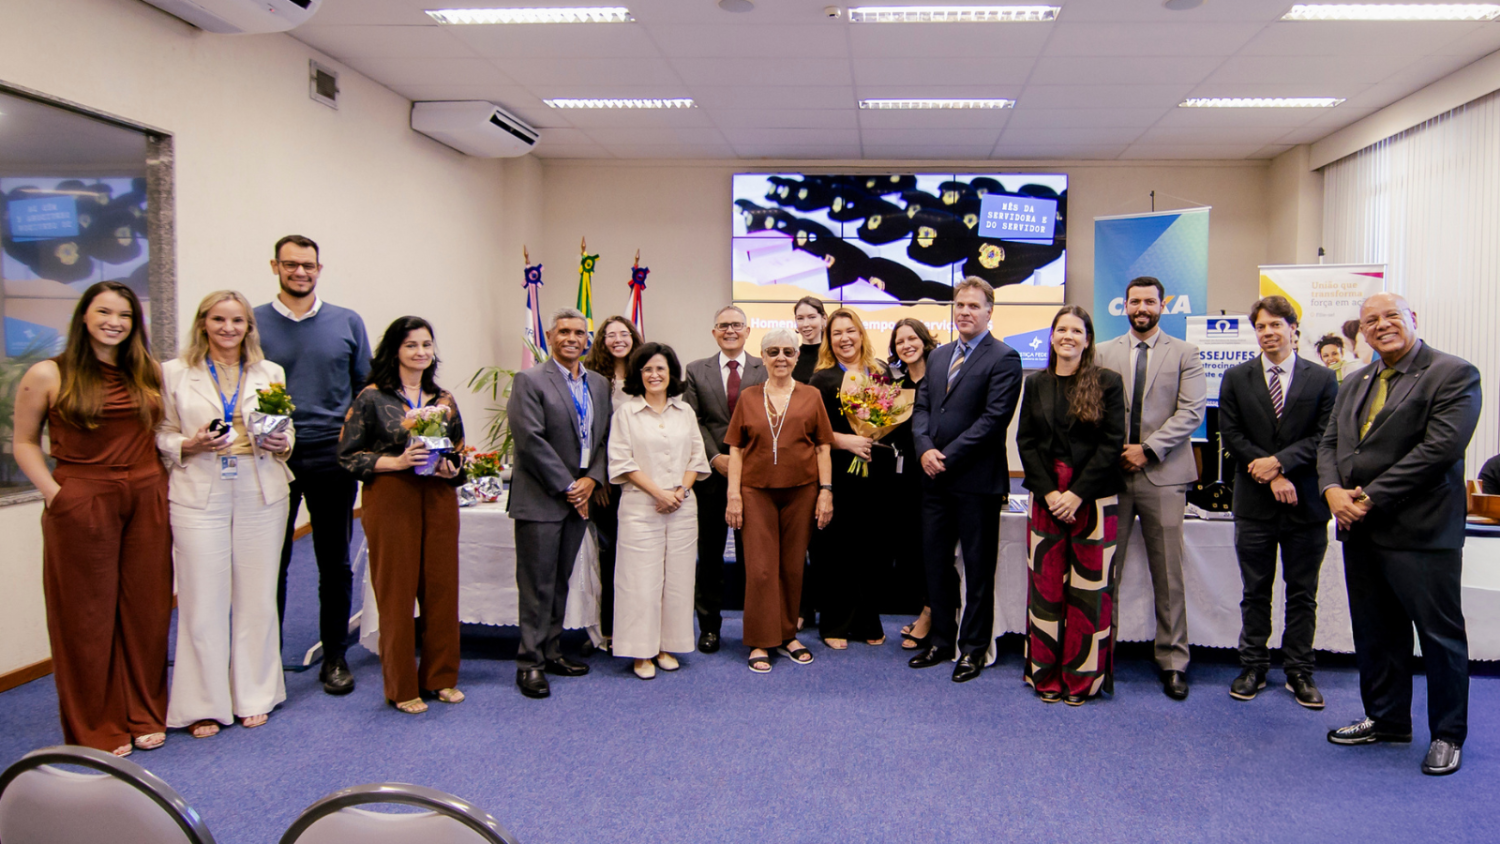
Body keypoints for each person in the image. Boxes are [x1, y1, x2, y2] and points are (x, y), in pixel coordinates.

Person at [1319, 292, 1480, 776]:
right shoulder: (1355, 379)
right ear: (1361, 332)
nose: (1382, 325)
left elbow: (1440, 450)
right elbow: (1331, 441)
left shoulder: (1452, 373)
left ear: (1414, 319)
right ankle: (1387, 720)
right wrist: (1330, 490)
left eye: (1392, 316)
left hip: (1421, 531)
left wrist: (1365, 499)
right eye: (1371, 320)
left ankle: (1448, 735)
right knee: (1376, 632)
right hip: (1360, 530)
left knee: (1439, 638)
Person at [11, 281, 172, 756]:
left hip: (147, 495)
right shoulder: (47, 373)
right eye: (104, 312)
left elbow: (160, 430)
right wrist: (55, 494)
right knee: (86, 616)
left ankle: (143, 710)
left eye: (124, 314)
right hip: (83, 497)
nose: (114, 322)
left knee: (148, 609)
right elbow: (23, 441)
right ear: (84, 316)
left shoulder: (147, 371)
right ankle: (96, 725)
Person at [157, 291, 294, 738]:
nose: (229, 328)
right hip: (199, 487)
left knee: (256, 596)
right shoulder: (174, 373)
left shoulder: (268, 372)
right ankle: (203, 703)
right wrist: (189, 444)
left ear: (249, 328)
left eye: (238, 321)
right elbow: (161, 431)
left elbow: (284, 428)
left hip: (259, 486)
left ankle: (255, 693)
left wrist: (282, 442)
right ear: (202, 323)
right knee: (202, 598)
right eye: (219, 319)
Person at [254, 234, 371, 696]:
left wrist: (350, 426)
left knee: (334, 560)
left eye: (308, 265)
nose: (299, 272)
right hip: (269, 456)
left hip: (330, 454)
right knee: (270, 561)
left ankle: (336, 656)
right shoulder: (253, 323)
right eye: (290, 264)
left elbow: (364, 385)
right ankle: (263, 658)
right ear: (275, 266)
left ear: (319, 269)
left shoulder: (346, 321)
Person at [337, 317, 466, 714]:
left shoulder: (442, 399)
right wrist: (395, 461)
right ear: (395, 350)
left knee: (442, 590)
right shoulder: (372, 398)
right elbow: (347, 456)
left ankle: (441, 677)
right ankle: (400, 685)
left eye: (427, 344)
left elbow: (460, 450)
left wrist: (453, 468)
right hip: (392, 497)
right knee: (396, 592)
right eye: (412, 345)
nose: (421, 352)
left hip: (438, 498)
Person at [1219, 296, 1338, 709]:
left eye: (1276, 325)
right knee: (1255, 591)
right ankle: (1253, 666)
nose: (1268, 333)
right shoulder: (1236, 377)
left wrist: (1280, 464)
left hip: (1306, 503)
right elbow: (1231, 434)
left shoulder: (1322, 379)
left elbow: (1325, 436)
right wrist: (1269, 474)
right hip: (1254, 504)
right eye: (1261, 326)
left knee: (1302, 593)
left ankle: (1299, 671)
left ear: (1293, 328)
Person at [908, 277, 1023, 683]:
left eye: (974, 306)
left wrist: (946, 456)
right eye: (960, 305)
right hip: (934, 480)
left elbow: (994, 422)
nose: (965, 312)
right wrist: (924, 449)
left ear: (990, 311)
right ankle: (941, 640)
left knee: (977, 569)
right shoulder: (938, 356)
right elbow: (921, 408)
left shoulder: (1005, 358)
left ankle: (972, 649)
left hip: (976, 483)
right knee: (936, 565)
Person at [1096, 276, 1205, 700]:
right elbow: (1094, 410)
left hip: (1164, 474)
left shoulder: (1185, 353)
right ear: (1124, 305)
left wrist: (1148, 449)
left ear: (1164, 305)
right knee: (1107, 571)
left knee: (1169, 575)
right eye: (1134, 301)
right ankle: (1102, 655)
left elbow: (1191, 412)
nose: (1142, 307)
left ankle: (1173, 661)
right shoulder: (1103, 351)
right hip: (1113, 476)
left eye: (1149, 301)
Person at [1016, 305, 1125, 704]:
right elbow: (1025, 442)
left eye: (1076, 330)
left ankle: (1082, 681)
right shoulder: (1037, 383)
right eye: (1061, 329)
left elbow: (1112, 444)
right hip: (1046, 496)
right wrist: (1049, 493)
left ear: (1088, 339)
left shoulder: (1108, 382)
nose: (1067, 336)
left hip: (1093, 497)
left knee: (1088, 594)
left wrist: (1076, 493)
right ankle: (1044, 675)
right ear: (1051, 337)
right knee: (1046, 590)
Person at [507, 307, 612, 699]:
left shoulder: (598, 384)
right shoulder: (530, 379)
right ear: (550, 336)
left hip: (579, 497)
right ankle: (529, 664)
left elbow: (603, 439)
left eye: (579, 332)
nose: (572, 338)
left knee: (560, 583)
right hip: (542, 499)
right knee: (537, 585)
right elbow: (529, 439)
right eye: (564, 331)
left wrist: (591, 479)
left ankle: (551, 652)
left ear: (587, 340)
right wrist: (570, 486)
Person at [725, 328, 834, 673]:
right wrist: (734, 496)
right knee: (760, 570)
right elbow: (736, 451)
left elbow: (822, 447)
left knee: (791, 567)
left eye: (788, 351)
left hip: (801, 491)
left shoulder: (812, 395)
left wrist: (826, 492)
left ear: (797, 356)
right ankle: (760, 639)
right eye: (773, 352)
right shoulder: (748, 396)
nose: (781, 358)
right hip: (756, 492)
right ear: (763, 357)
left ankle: (787, 634)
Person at [607, 342, 711, 679]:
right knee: (640, 581)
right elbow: (622, 462)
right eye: (648, 369)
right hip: (642, 506)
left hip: (682, 506)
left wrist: (679, 491)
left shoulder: (685, 412)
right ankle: (641, 653)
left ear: (671, 374)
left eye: (661, 369)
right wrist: (659, 493)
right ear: (639, 374)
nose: (654, 374)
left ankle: (666, 645)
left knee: (678, 580)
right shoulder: (626, 412)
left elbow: (697, 457)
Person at [809, 308, 894, 649]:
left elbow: (889, 419)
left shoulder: (881, 373)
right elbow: (811, 432)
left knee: (873, 549)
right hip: (839, 474)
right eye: (837, 333)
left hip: (876, 475)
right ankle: (835, 623)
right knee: (837, 550)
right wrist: (847, 440)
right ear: (829, 341)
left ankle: (867, 620)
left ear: (861, 334)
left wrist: (873, 436)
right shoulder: (822, 379)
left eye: (850, 331)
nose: (845, 338)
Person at [682, 306, 766, 653]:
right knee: (711, 555)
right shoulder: (695, 370)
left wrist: (746, 461)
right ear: (714, 332)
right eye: (723, 326)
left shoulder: (765, 367)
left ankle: (757, 628)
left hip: (757, 476)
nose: (730, 330)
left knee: (755, 559)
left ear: (747, 331)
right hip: (712, 476)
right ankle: (710, 628)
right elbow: (693, 419)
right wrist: (715, 458)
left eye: (736, 325)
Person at [584, 315, 645, 653]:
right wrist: (599, 477)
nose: (618, 339)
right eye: (611, 335)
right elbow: (592, 433)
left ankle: (639, 626)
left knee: (638, 556)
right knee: (609, 555)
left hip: (643, 479)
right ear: (602, 341)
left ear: (634, 338)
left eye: (624, 333)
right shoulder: (594, 380)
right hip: (606, 482)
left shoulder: (645, 375)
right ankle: (608, 629)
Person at [888, 318, 937, 650]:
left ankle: (932, 613)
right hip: (903, 478)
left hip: (935, 474)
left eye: (912, 338)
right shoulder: (896, 385)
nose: (906, 345)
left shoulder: (943, 378)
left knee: (932, 547)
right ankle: (925, 607)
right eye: (899, 341)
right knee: (910, 548)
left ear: (924, 340)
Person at [791, 295, 826, 384]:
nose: (805, 324)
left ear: (823, 319)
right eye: (800, 318)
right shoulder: (791, 358)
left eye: (812, 317)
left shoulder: (834, 356)